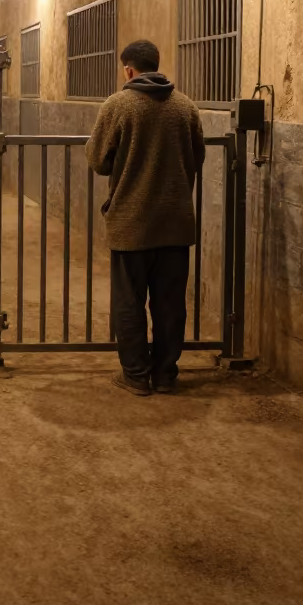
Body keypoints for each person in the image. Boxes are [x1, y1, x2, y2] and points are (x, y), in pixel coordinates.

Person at [85, 40, 205, 396]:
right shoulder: (185, 107)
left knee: (130, 301)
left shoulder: (118, 105)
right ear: (157, 64)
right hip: (175, 224)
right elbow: (196, 156)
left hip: (130, 224)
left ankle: (136, 374)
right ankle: (166, 375)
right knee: (170, 304)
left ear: (128, 70)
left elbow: (97, 159)